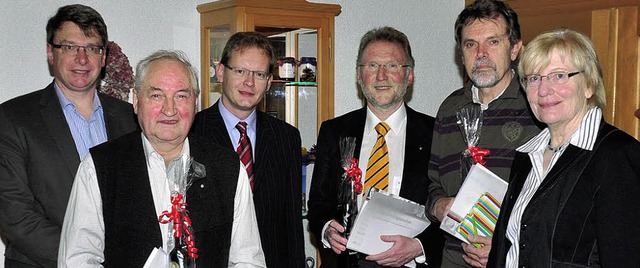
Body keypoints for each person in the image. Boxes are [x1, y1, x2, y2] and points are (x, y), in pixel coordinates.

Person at [58, 50, 266, 267]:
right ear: (137, 101)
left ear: (195, 103)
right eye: (157, 95)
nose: (170, 109)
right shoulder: (100, 168)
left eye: (181, 96)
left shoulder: (228, 168)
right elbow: (78, 259)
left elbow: (248, 260)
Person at [487, 28, 640, 267]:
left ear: (589, 85)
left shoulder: (616, 155)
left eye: (559, 76)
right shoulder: (527, 156)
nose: (544, 90)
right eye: (534, 78)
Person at [0, 5, 138, 267]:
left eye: (92, 48)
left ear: (104, 57)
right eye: (70, 47)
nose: (82, 59)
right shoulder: (12, 118)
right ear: (50, 52)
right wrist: (85, 260)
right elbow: (15, 216)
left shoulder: (130, 118)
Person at [307, 26, 444, 268]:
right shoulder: (334, 131)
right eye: (371, 66)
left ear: (409, 75)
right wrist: (327, 229)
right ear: (359, 76)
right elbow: (319, 203)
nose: (381, 76)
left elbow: (447, 208)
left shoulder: (437, 133)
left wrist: (420, 246)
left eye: (392, 66)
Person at [424, 0, 544, 267]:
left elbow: (553, 204)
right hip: (453, 259)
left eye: (493, 42)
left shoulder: (538, 106)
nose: (481, 54)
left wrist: (506, 242)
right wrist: (439, 206)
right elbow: (432, 185)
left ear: (514, 49)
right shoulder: (449, 108)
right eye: (470, 44)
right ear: (461, 53)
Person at [191, 32, 304, 267]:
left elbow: (292, 224)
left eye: (259, 74)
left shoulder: (286, 137)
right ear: (221, 72)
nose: (249, 83)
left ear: (270, 81)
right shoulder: (192, 132)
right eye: (240, 71)